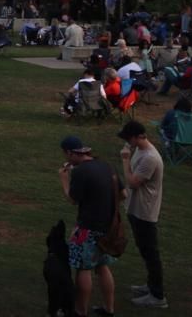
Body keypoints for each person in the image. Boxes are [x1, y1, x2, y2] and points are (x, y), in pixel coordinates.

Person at [58, 136, 117, 317]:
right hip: (107, 227)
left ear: (70, 153)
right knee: (102, 266)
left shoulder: (81, 172)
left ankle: (79, 311)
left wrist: (64, 179)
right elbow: (121, 193)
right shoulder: (105, 166)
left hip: (87, 227)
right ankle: (109, 309)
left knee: (83, 268)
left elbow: (73, 199)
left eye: (66, 154)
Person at [117, 121, 166, 309]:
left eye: (128, 138)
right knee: (145, 250)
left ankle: (158, 296)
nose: (127, 142)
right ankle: (151, 285)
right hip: (136, 209)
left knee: (151, 253)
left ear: (137, 137)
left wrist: (125, 160)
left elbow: (132, 182)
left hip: (145, 212)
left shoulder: (150, 158)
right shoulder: (139, 150)